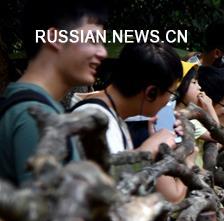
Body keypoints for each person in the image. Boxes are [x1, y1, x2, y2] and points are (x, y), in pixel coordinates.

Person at [0, 1, 108, 186]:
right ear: (55, 38)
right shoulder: (34, 115)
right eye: (93, 40)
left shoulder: (35, 107)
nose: (103, 53)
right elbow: (44, 211)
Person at [70, 42, 186, 202]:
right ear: (151, 92)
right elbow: (106, 187)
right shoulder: (94, 118)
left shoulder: (112, 116)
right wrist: (148, 149)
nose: (169, 100)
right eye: (171, 93)